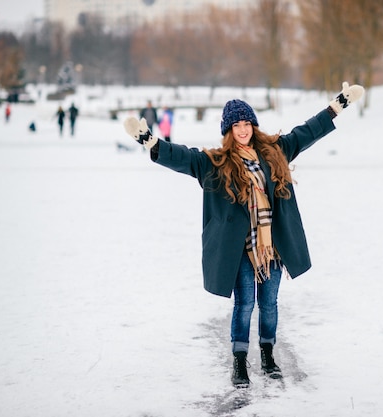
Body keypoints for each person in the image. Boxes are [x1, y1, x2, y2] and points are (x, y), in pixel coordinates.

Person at [123, 81, 364, 388]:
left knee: (270, 304)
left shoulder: (276, 151)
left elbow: (307, 132)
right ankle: (239, 362)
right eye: (236, 125)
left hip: (272, 248)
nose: (242, 129)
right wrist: (151, 143)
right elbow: (184, 157)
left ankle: (267, 355)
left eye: (246, 123)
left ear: (253, 125)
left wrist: (337, 105)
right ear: (228, 129)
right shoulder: (216, 163)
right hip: (242, 250)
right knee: (245, 304)